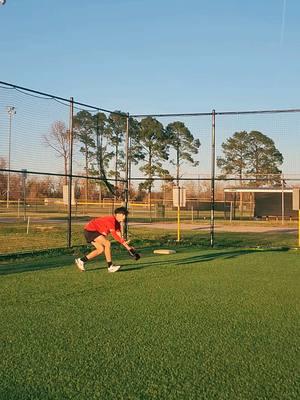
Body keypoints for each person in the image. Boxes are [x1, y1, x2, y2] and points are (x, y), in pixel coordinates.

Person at [75, 207, 140, 273]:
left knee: (100, 249)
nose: (124, 217)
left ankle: (81, 260)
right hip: (90, 231)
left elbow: (120, 238)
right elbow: (115, 236)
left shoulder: (117, 223)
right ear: (118, 214)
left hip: (92, 232)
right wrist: (126, 245)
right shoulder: (111, 220)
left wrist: (130, 249)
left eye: (125, 215)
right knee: (107, 243)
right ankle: (110, 266)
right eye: (123, 215)